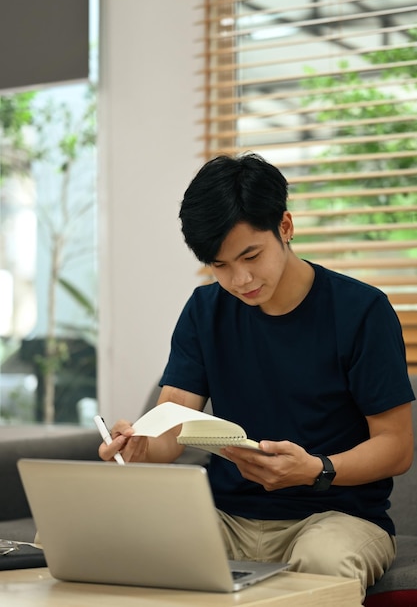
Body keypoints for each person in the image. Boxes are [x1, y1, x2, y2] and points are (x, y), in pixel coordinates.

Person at [99, 153, 415, 600]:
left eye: (251, 255)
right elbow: (171, 422)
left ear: (285, 227)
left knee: (324, 562)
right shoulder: (204, 311)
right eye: (220, 265)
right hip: (223, 515)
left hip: (336, 516)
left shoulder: (362, 311)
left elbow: (397, 447)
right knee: (103, 538)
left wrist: (315, 470)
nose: (240, 279)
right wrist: (140, 447)